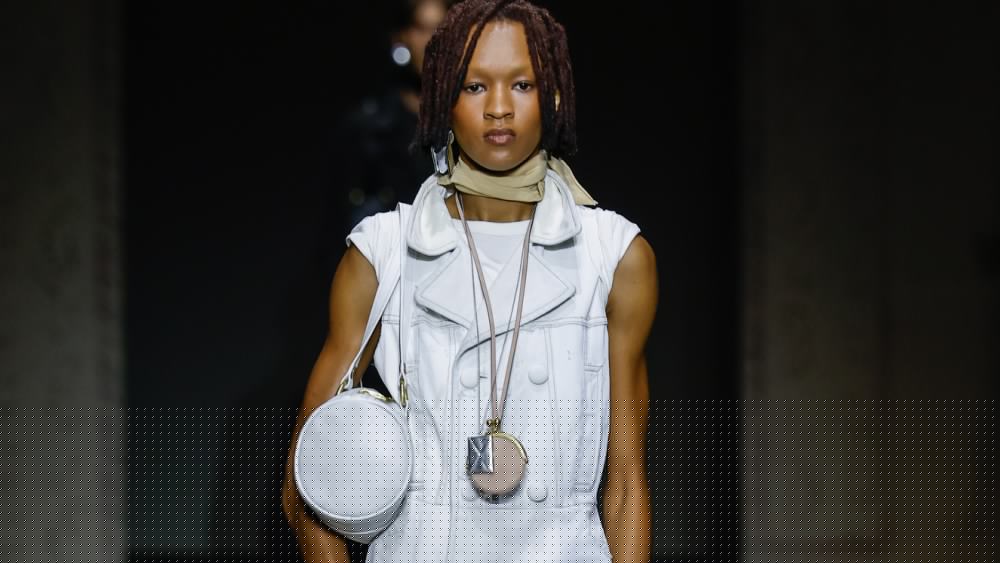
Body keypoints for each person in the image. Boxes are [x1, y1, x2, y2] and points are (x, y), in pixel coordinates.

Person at [283, 1, 656, 562]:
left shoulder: (615, 256)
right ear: (441, 97)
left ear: (553, 96)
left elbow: (626, 483)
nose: (499, 108)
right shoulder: (383, 253)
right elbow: (308, 481)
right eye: (474, 86)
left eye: (522, 84)